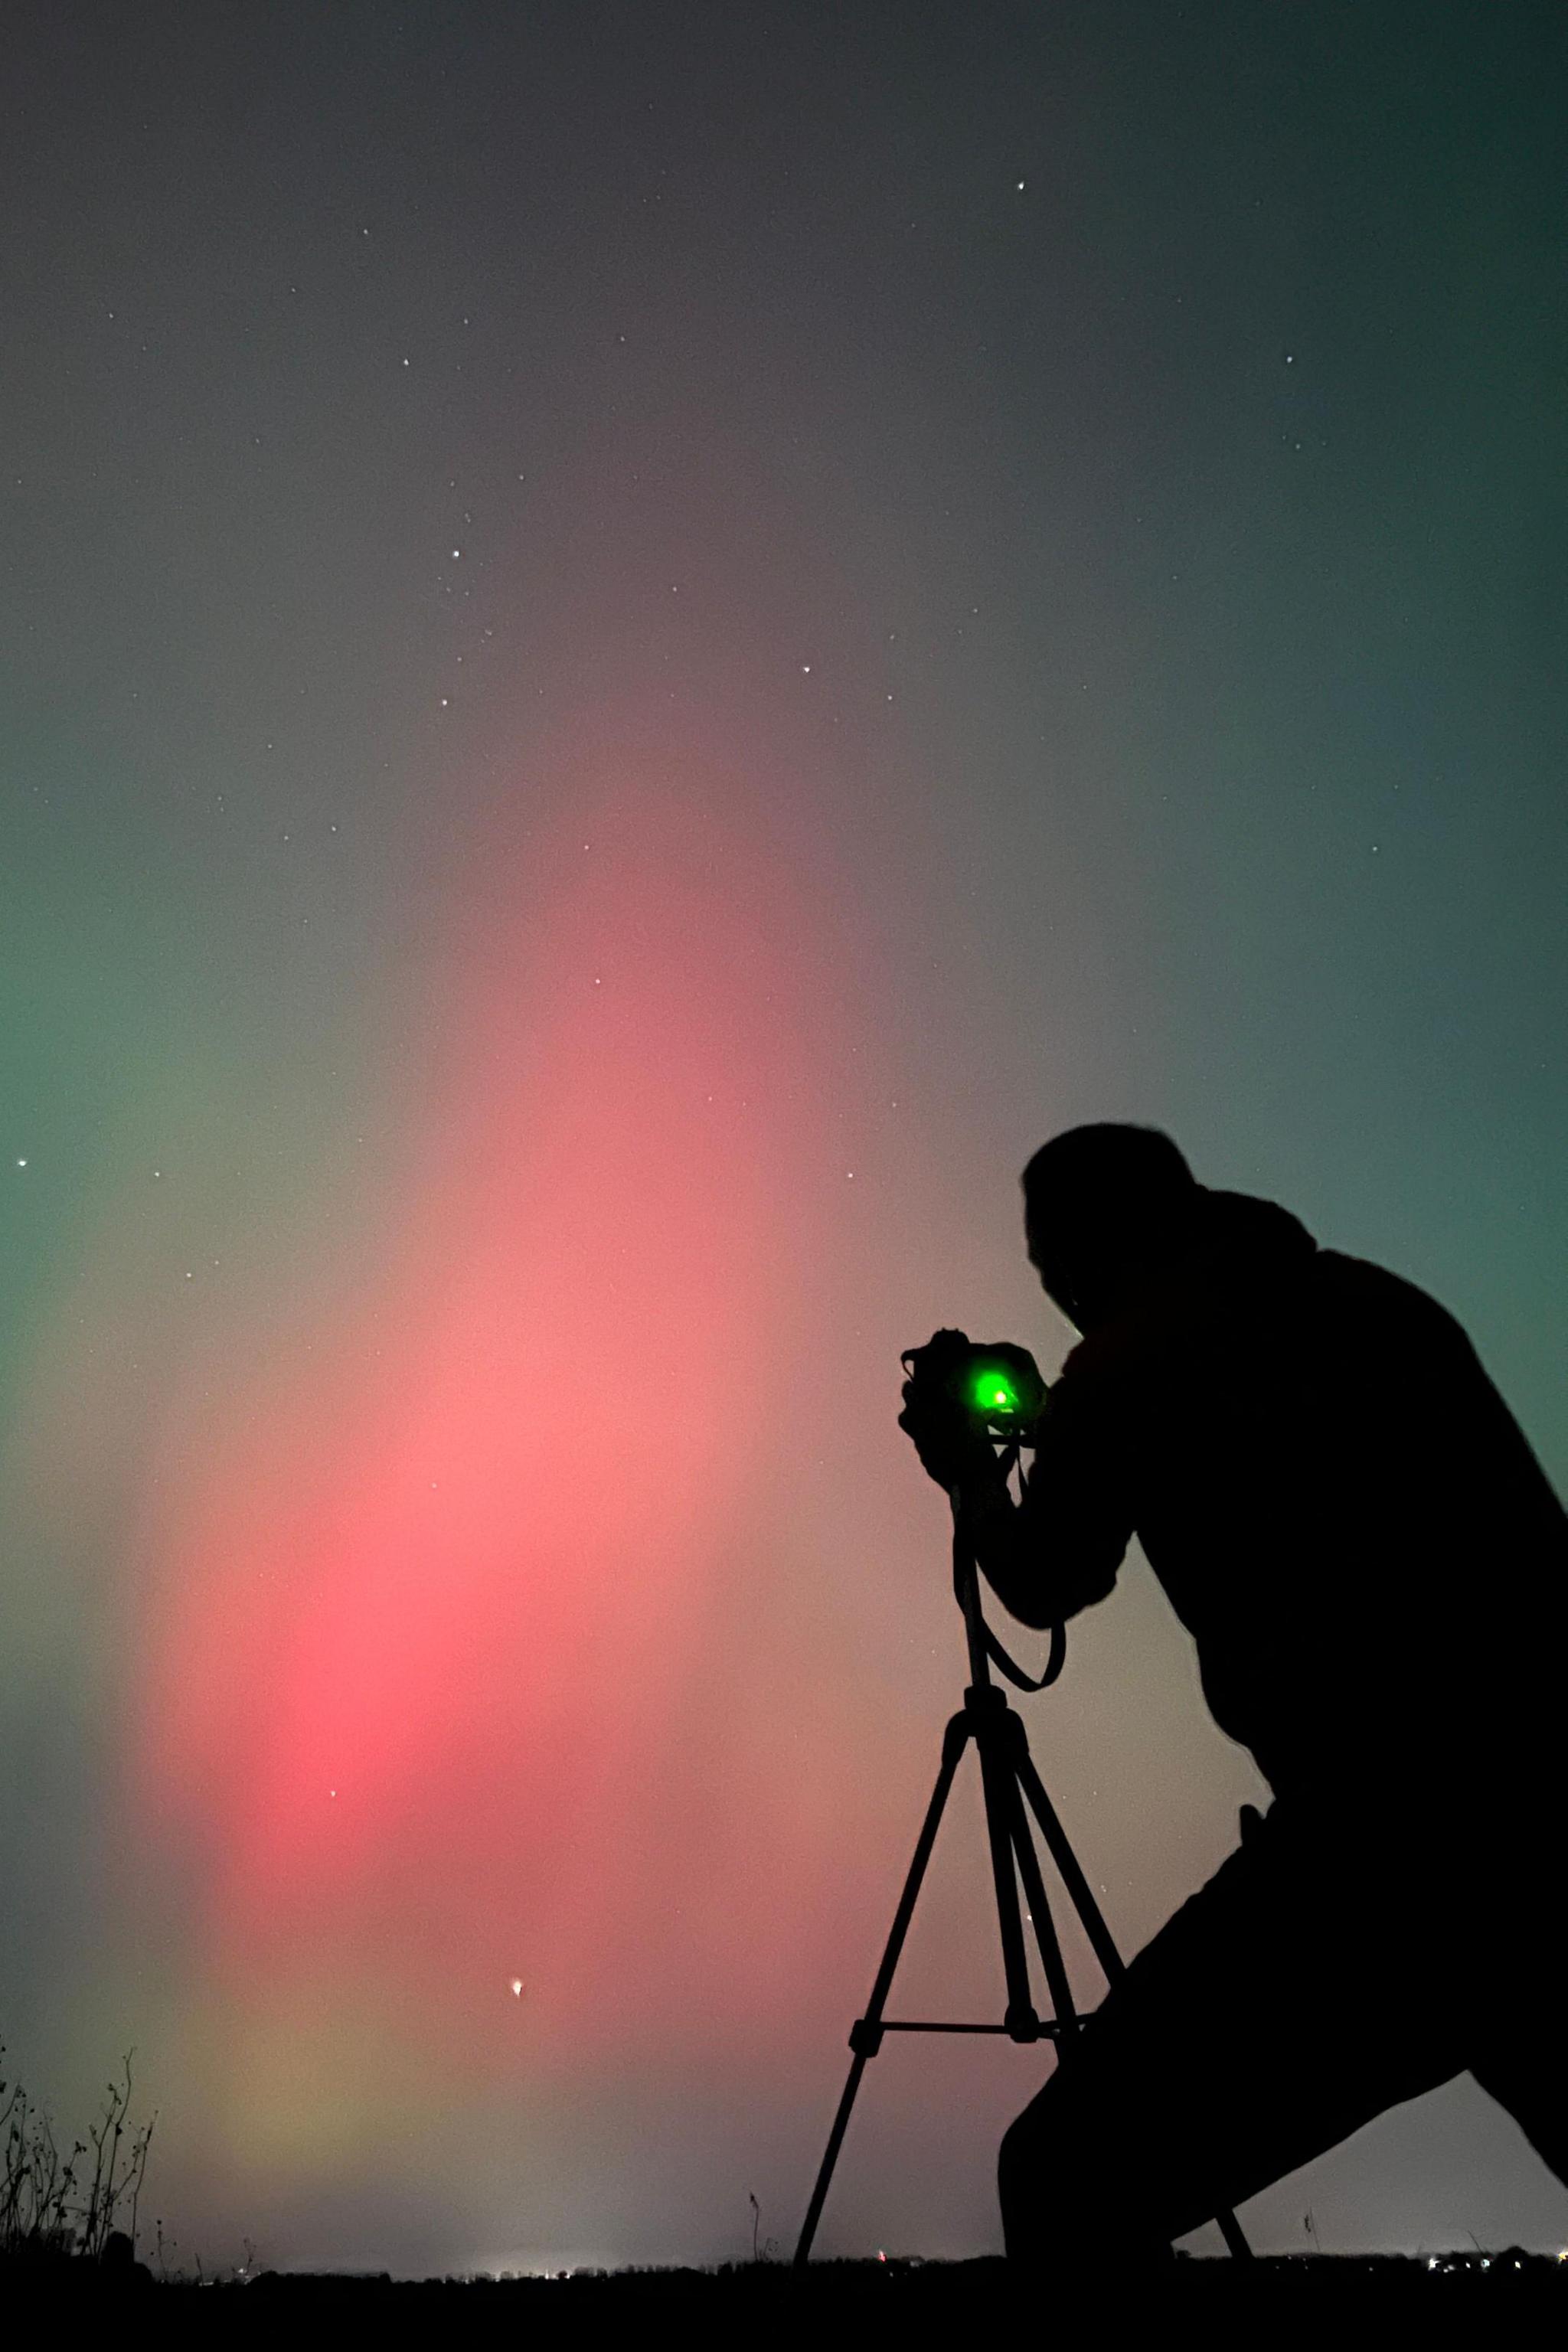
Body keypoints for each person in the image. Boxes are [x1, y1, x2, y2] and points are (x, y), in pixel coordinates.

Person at [898, 1123, 1568, 2266]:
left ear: (1086, 1243)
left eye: (1050, 1259)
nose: (1053, 1289)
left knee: (1066, 2179)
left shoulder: (1126, 1364)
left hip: (1389, 1850)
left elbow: (1048, 1579)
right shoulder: (1379, 1305)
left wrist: (968, 1475)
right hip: (1545, 1807)